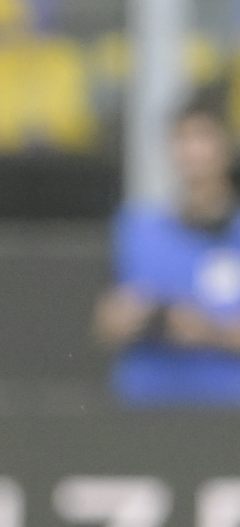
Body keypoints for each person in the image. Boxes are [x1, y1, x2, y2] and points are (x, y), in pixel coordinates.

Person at [96, 83, 240, 407]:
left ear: (226, 146)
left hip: (229, 416)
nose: (192, 152)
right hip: (149, 412)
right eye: (182, 139)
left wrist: (206, 330)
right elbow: (107, 320)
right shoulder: (138, 228)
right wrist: (143, 317)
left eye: (203, 137)